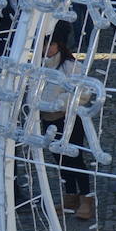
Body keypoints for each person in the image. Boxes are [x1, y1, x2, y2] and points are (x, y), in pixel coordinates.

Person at [38, 30, 95, 220]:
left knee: (75, 159)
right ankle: (70, 196)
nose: (46, 48)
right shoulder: (39, 67)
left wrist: (59, 101)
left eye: (50, 44)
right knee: (60, 161)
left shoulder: (71, 66)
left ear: (58, 45)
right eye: (43, 45)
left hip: (68, 119)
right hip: (48, 120)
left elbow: (84, 93)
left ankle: (86, 198)